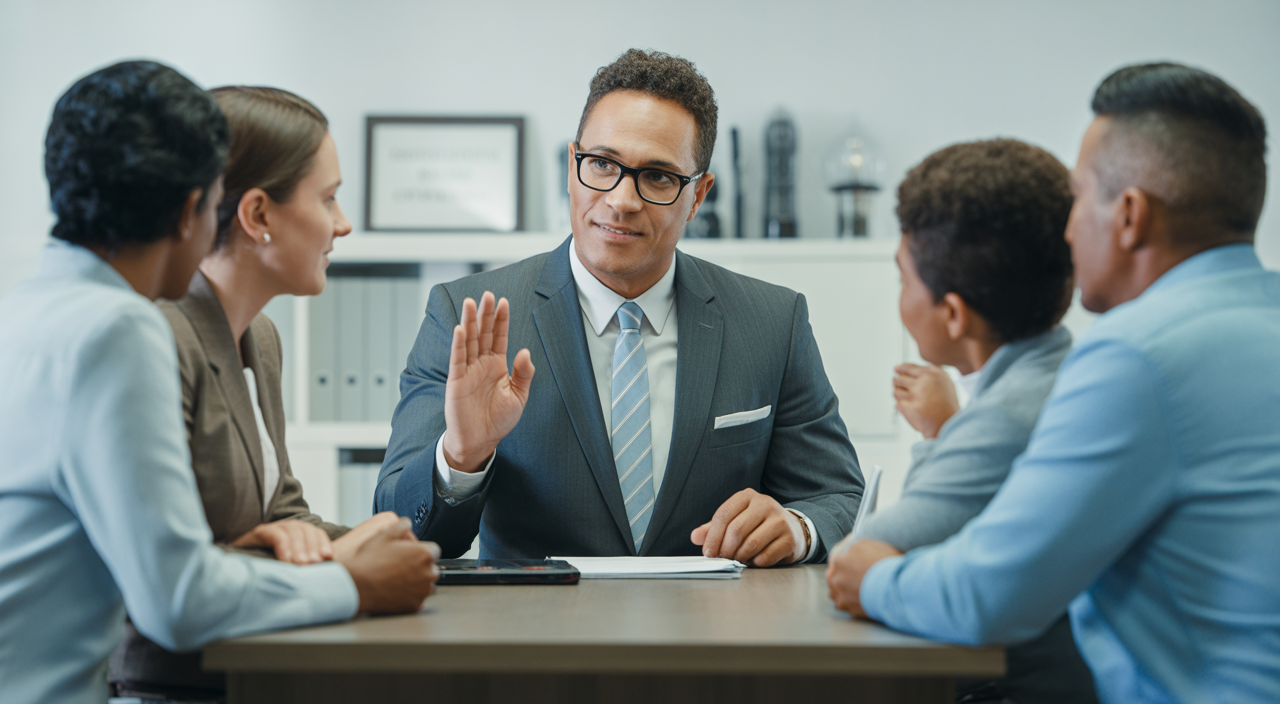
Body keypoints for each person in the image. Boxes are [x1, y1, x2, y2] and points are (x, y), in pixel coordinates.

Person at [828, 62, 1280, 704]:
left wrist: (871, 577)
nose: (1066, 231)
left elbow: (987, 593)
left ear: (1129, 216)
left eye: (1078, 198)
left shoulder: (1136, 357)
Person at [0, 61, 440, 704]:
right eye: (213, 206)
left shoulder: (34, 305)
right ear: (191, 211)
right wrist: (355, 582)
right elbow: (177, 598)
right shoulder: (119, 328)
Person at [376, 49, 863, 564]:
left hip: (712, 634)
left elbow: (838, 497)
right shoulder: (466, 313)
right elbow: (402, 530)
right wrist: (461, 456)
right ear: (572, 165)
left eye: (657, 177)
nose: (621, 199)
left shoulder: (772, 322)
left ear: (698, 196)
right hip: (537, 635)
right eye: (602, 164)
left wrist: (798, 527)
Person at [108, 86, 407, 702]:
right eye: (328, 199)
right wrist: (334, 566)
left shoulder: (258, 337)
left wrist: (376, 537)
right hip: (162, 683)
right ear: (257, 216)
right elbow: (157, 582)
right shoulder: (158, 337)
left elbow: (281, 515)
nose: (343, 224)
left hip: (251, 663)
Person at [846, 139, 1095, 703]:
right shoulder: (1062, 371)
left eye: (904, 279)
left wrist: (946, 435)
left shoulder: (1006, 416)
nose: (902, 299)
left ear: (953, 314)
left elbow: (863, 560)